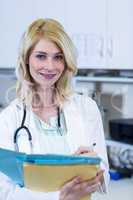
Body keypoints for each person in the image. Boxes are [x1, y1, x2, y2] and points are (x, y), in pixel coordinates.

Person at [0, 18, 109, 200]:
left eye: (58, 57)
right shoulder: (8, 120)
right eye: (41, 56)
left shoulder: (86, 108)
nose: (50, 66)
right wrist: (60, 197)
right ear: (26, 59)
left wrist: (96, 168)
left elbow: (104, 175)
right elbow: (4, 191)